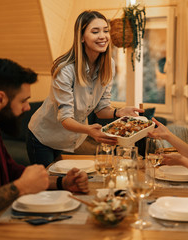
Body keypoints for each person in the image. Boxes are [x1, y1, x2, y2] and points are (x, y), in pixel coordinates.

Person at [0, 59, 89, 240]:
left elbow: (13, 172)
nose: (27, 108)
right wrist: (19, 188)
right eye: (23, 101)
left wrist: (62, 183)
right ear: (0, 99)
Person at [27, 10, 143, 167]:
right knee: (49, 185)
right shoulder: (65, 69)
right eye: (95, 31)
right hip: (42, 138)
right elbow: (66, 118)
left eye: (105, 30)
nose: (103, 36)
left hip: (71, 140)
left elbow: (101, 108)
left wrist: (118, 112)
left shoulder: (109, 65)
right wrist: (89, 130)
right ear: (81, 37)